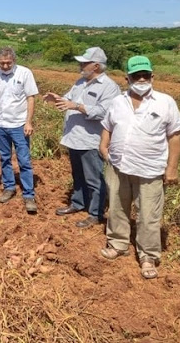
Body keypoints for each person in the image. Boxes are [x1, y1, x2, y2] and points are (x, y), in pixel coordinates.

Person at [99, 55, 180, 280]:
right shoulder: (118, 101)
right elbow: (107, 126)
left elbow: (175, 136)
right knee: (117, 207)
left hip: (150, 169)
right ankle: (118, 244)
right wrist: (103, 145)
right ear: (126, 78)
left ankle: (148, 256)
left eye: (145, 75)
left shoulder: (165, 102)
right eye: (136, 75)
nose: (141, 79)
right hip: (118, 166)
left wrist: (172, 169)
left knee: (148, 215)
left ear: (152, 76)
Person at [43, 47, 121, 228]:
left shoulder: (109, 87)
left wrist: (77, 106)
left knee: (94, 178)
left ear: (96, 66)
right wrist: (57, 99)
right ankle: (78, 203)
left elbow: (105, 112)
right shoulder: (80, 82)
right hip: (74, 138)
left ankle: (95, 213)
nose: (81, 65)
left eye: (84, 63)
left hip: (91, 140)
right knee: (78, 175)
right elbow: (68, 99)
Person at [0, 47, 39, 213]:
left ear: (13, 61)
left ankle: (28, 194)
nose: (5, 66)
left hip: (19, 125)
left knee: (24, 160)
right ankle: (9, 187)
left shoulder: (24, 73)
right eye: (2, 63)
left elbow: (31, 98)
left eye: (8, 63)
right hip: (1, 124)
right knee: (5, 158)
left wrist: (28, 122)